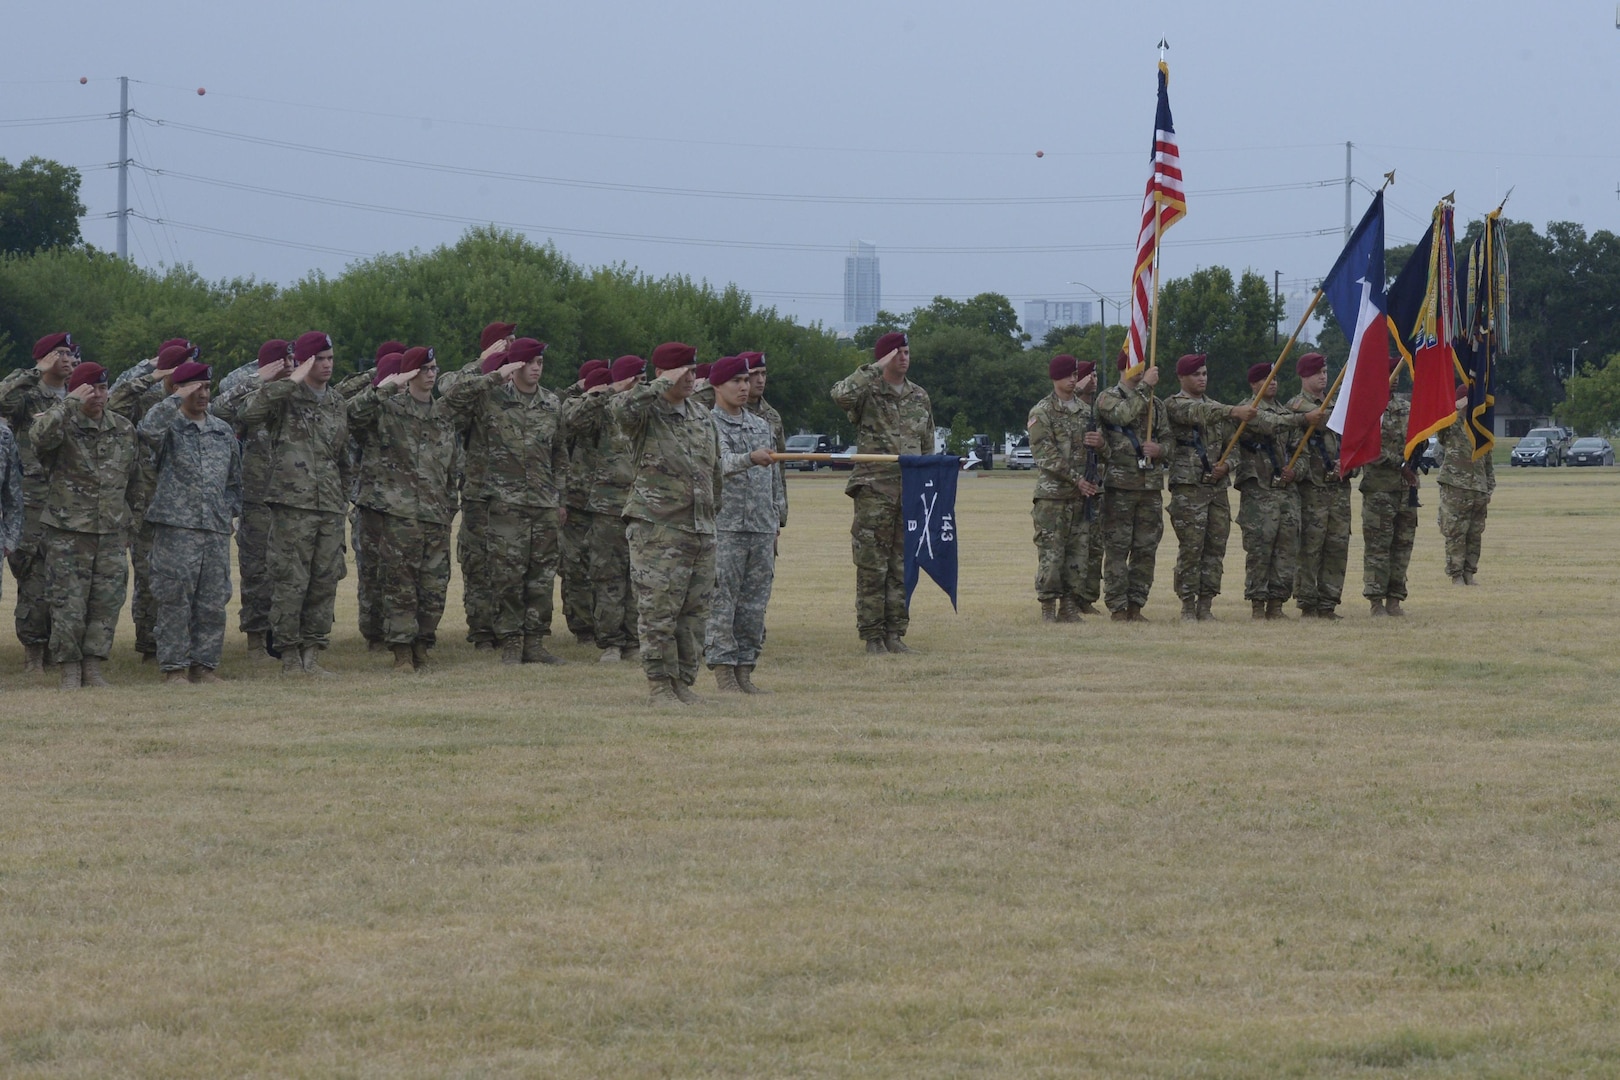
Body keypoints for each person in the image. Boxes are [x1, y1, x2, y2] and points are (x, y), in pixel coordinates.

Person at [442, 337, 570, 666]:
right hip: (503, 503)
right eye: (529, 362)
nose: (536, 369)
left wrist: (561, 497)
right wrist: (492, 373)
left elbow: (559, 454)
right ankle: (511, 640)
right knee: (508, 575)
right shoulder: (490, 397)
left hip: (542, 502)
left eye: (540, 362)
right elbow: (451, 397)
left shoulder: (552, 403)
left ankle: (535, 642)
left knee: (541, 577)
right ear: (515, 366)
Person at [613, 342, 723, 703]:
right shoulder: (645, 413)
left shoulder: (700, 415)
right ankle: (659, 684)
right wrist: (662, 383)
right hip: (658, 527)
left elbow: (713, 470)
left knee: (694, 613)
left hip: (700, 527)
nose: (691, 378)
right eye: (683, 371)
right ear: (662, 374)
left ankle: (682, 683)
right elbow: (620, 407)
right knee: (659, 611)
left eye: (693, 370)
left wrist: (712, 517)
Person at [239, 330, 351, 676]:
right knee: (290, 580)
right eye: (320, 359)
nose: (327, 365)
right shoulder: (284, 399)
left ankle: (312, 655)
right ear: (304, 362)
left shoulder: (337, 403)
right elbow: (249, 414)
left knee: (324, 580)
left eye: (330, 358)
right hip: (292, 504)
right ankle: (288, 656)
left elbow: (342, 458)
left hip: (329, 505)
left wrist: (342, 497)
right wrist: (291, 380)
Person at [346, 346, 458, 671]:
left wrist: (450, 505)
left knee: (435, 587)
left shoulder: (443, 417)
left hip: (436, 517)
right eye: (424, 369)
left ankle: (423, 644)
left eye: (434, 368)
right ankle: (401, 653)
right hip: (399, 516)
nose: (432, 374)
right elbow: (352, 414)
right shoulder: (388, 410)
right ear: (409, 374)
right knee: (400, 586)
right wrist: (388, 387)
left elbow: (453, 468)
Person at [32, 363, 137, 690]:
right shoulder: (60, 424)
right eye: (90, 389)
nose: (99, 395)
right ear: (77, 392)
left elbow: (132, 481)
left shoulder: (123, 428)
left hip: (110, 531)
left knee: (106, 603)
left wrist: (128, 525)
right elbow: (39, 437)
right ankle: (69, 671)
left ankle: (93, 667)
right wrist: (67, 404)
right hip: (68, 532)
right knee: (68, 603)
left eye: (103, 388)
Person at [830, 331, 935, 653]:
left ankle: (895, 632)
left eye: (906, 351)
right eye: (897, 353)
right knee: (872, 566)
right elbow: (840, 395)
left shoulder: (919, 396)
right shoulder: (868, 391)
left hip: (910, 491)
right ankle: (872, 635)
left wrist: (929, 485)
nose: (903, 357)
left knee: (903, 565)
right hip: (875, 489)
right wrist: (875, 367)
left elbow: (927, 443)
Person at [138, 361, 242, 683]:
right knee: (174, 600)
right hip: (175, 528)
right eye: (195, 388)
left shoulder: (222, 430)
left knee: (213, 601)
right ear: (179, 390)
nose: (203, 394)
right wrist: (173, 398)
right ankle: (174, 669)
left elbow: (234, 482)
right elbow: (147, 429)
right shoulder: (168, 427)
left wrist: (226, 510)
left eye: (207, 387)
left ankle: (204, 666)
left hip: (214, 528)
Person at [110, 339, 200, 662]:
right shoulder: (145, 397)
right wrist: (150, 373)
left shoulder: (197, 400)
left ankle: (181, 641)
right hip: (146, 499)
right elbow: (113, 403)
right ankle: (149, 644)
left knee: (184, 575)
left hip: (182, 500)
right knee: (149, 575)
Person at [703, 354, 785, 693]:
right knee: (723, 602)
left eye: (745, 380)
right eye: (735, 381)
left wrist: (777, 516)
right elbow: (715, 465)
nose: (743, 386)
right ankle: (724, 672)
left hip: (761, 527)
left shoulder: (760, 424)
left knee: (754, 604)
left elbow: (775, 476)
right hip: (727, 526)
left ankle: (745, 670)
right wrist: (750, 459)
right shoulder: (707, 424)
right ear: (717, 386)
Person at [0, 332, 76, 671]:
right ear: (43, 358)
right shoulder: (27, 396)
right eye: (59, 353)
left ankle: (63, 649)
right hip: (32, 498)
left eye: (70, 353)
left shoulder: (79, 395)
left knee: (66, 576)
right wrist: (32, 372)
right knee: (31, 572)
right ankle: (34, 651)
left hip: (72, 498)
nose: (68, 359)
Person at [212, 339, 292, 660]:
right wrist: (261, 378)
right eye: (283, 360)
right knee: (256, 569)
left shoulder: (297, 389)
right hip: (257, 495)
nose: (288, 365)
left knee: (291, 571)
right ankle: (257, 641)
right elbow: (221, 407)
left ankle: (288, 638)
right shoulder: (247, 388)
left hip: (293, 495)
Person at [1163, 354, 1257, 621]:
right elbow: (1196, 413)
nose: (1202, 378)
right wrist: (1233, 411)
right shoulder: (1174, 404)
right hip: (1189, 487)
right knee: (1191, 548)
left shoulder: (1217, 407)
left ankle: (1206, 605)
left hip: (1216, 489)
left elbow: (1235, 447)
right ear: (1182, 377)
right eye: (1196, 374)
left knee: (1215, 548)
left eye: (1205, 373)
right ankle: (1187, 606)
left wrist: (1226, 466)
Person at [572, 354, 645, 662]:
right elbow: (571, 420)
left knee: (638, 577)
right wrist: (609, 391)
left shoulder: (646, 411)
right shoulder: (601, 409)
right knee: (609, 576)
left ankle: (634, 639)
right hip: (607, 506)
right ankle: (611, 642)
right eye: (637, 380)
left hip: (641, 504)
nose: (640, 386)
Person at [1232, 362, 1318, 620]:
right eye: (1266, 378)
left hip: (1286, 493)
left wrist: (1297, 471)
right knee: (1260, 549)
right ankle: (1258, 604)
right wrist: (1303, 418)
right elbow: (1268, 425)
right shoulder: (1248, 410)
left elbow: (1300, 450)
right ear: (1253, 383)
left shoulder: (1284, 412)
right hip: (1259, 492)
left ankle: (1277, 605)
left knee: (1286, 550)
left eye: (1276, 378)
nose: (1273, 382)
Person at [1026, 354, 1106, 623]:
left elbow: (1100, 453)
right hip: (1053, 497)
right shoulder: (1042, 412)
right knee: (1051, 553)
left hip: (1080, 497)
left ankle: (1070, 605)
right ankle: (1048, 605)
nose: (1073, 380)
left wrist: (1100, 444)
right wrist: (1076, 479)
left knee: (1078, 554)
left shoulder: (1086, 412)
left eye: (1074, 375)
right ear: (1055, 378)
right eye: (1067, 376)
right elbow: (1045, 455)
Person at [1096, 349, 1167, 621]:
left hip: (1149, 487)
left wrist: (1160, 449)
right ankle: (1117, 607)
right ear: (1126, 367)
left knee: (1146, 549)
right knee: (1117, 549)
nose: (1143, 370)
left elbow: (1169, 440)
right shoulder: (1108, 397)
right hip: (1119, 486)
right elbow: (1122, 417)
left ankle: (1137, 605)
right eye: (1137, 365)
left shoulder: (1156, 404)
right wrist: (1146, 386)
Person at [1288, 353, 1352, 619]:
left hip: (1337, 488)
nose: (1323, 377)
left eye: (1325, 371)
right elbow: (1316, 419)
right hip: (1312, 489)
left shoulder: (1337, 406)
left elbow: (1350, 439)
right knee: (1310, 548)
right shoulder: (1297, 406)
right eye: (1317, 373)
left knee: (1337, 546)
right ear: (1304, 376)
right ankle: (1308, 602)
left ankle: (1329, 602)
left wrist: (1348, 466)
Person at [1360, 360, 1419, 616]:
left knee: (1403, 545)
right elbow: (1368, 448)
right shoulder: (1367, 408)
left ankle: (1395, 598)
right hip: (1379, 489)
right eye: (1388, 372)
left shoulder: (1407, 408)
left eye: (1397, 373)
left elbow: (1418, 440)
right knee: (1378, 547)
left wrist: (1418, 452)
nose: (1394, 378)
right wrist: (1399, 463)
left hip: (1406, 489)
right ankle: (1376, 601)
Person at [559, 360, 609, 645]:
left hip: (608, 502)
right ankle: (583, 627)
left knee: (607, 568)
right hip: (578, 499)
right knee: (575, 567)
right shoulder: (576, 408)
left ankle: (608, 625)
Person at [1436, 388, 1494, 585]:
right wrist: (1455, 409)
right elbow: (1440, 432)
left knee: (1475, 533)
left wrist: (1489, 487)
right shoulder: (1452, 424)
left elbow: (1487, 460)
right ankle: (1456, 574)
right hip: (1455, 486)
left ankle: (1469, 572)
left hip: (1478, 487)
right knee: (1455, 532)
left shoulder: (1480, 427)